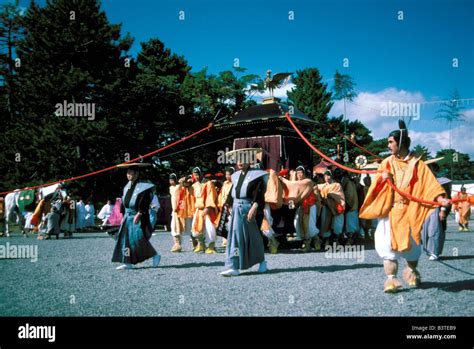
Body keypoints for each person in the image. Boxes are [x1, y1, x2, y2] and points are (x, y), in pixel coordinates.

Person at [359, 120, 448, 293]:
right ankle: (391, 280)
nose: (388, 145)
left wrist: (440, 199)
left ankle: (412, 272)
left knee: (412, 248)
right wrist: (383, 178)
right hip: (390, 212)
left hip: (410, 211)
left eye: (390, 142)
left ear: (401, 143)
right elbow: (375, 184)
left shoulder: (418, 164)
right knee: (387, 246)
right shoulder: (386, 162)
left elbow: (430, 184)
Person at [221, 148, 268, 277]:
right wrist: (228, 204)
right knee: (234, 235)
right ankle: (233, 266)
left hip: (249, 207)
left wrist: (255, 207)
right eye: (238, 159)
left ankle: (262, 261)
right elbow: (233, 192)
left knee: (253, 236)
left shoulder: (257, 174)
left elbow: (259, 192)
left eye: (243, 159)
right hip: (236, 208)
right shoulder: (235, 176)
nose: (240, 162)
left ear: (249, 160)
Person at [112, 163, 161, 270]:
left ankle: (155, 255)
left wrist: (140, 213)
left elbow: (145, 201)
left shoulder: (143, 187)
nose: (128, 175)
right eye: (127, 173)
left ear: (137, 174)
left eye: (131, 173)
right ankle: (127, 261)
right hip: (127, 216)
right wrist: (122, 215)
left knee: (138, 239)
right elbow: (124, 201)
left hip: (138, 215)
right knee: (125, 240)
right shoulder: (127, 186)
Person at [422, 177, 452, 261]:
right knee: (425, 231)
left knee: (434, 230)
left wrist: (443, 210)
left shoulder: (442, 183)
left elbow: (447, 198)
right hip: (427, 208)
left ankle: (435, 252)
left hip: (437, 209)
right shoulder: (426, 181)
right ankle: (428, 249)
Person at [190, 167, 218, 254]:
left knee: (209, 228)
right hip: (198, 209)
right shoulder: (194, 185)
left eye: (198, 175)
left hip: (207, 209)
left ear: (202, 174)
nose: (196, 177)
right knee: (196, 229)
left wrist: (208, 207)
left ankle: (211, 246)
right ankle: (201, 244)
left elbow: (211, 195)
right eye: (195, 175)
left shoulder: (208, 183)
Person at [317, 170, 345, 247]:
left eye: (328, 175)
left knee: (336, 224)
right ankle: (327, 240)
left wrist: (331, 196)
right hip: (326, 208)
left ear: (331, 176)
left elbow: (340, 196)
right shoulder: (322, 186)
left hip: (335, 207)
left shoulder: (337, 185)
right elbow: (315, 187)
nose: (327, 177)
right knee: (325, 223)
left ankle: (336, 239)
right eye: (325, 176)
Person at [216, 167, 234, 247]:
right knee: (223, 223)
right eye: (226, 174)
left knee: (230, 222)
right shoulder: (225, 183)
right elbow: (222, 194)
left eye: (229, 175)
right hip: (224, 206)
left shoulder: (234, 183)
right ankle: (225, 239)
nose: (227, 176)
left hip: (231, 206)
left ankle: (231, 240)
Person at [341, 173, 360, 244]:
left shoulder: (349, 184)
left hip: (351, 207)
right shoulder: (350, 183)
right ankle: (351, 239)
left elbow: (350, 196)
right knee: (352, 225)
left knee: (350, 225)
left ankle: (350, 240)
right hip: (353, 207)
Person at [169, 173, 185, 252]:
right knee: (174, 227)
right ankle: (177, 244)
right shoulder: (171, 188)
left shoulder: (179, 186)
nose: (171, 182)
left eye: (172, 180)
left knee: (178, 227)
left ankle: (178, 244)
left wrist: (181, 181)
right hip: (174, 210)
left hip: (179, 209)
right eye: (170, 180)